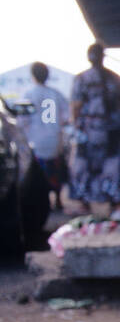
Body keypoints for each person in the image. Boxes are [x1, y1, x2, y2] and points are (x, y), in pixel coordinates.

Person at [67, 43, 120, 215]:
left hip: (94, 131)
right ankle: (114, 203)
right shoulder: (115, 78)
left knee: (88, 166)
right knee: (109, 165)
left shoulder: (82, 79)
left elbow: (76, 106)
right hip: (111, 131)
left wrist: (77, 125)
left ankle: (88, 203)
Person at [20, 62, 69, 212]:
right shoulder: (55, 94)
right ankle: (58, 199)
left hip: (35, 140)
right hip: (54, 139)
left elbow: (22, 120)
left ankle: (44, 200)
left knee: (39, 172)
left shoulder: (28, 94)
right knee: (55, 170)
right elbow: (67, 116)